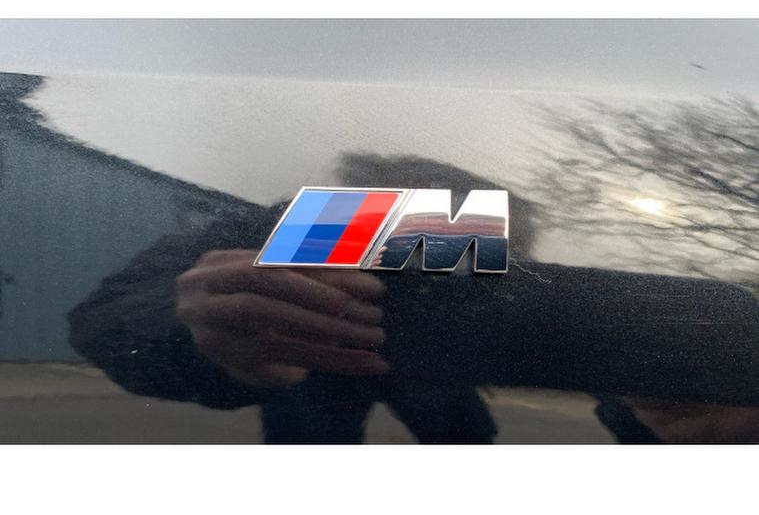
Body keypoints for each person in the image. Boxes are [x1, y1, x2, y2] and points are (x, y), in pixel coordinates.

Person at [69, 154, 759, 443]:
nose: (501, 272)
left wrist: (655, 406)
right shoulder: (301, 228)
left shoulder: (466, 249)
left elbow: (553, 326)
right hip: (320, 370)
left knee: (463, 436)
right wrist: (199, 324)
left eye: (509, 258)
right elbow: (114, 315)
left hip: (430, 374)